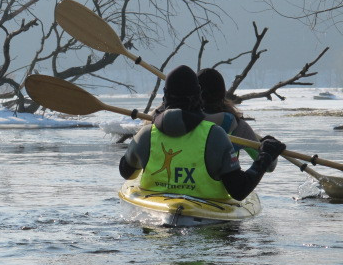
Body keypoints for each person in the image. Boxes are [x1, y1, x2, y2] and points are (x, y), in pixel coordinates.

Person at [119, 65, 285, 201]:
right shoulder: (219, 133)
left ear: (166, 97)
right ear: (198, 97)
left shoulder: (147, 132)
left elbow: (128, 173)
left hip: (155, 213)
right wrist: (266, 156)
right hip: (207, 209)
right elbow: (239, 190)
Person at [198, 67, 277, 172]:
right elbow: (269, 167)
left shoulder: (179, 122)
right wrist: (270, 149)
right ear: (223, 94)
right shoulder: (238, 127)